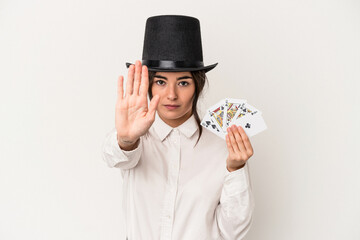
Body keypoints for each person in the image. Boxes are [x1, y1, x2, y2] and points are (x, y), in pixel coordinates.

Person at [102, 15, 255, 240]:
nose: (171, 95)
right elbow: (114, 157)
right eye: (161, 82)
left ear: (197, 86)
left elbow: (233, 232)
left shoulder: (223, 147)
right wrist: (125, 140)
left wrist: (236, 168)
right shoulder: (138, 140)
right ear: (150, 85)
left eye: (183, 82)